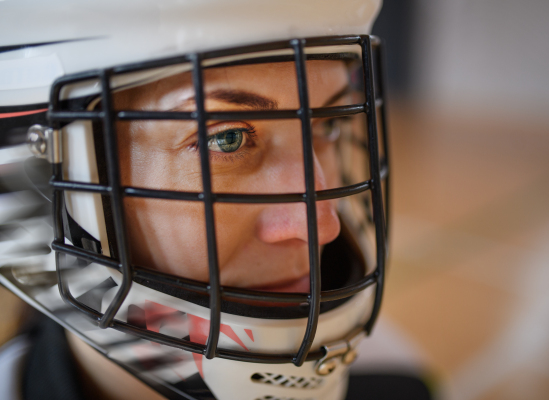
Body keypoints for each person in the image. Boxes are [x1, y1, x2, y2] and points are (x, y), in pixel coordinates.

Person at [0, 0, 432, 399]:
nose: (322, 223)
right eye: (226, 138)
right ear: (40, 183)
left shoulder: (396, 377)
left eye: (330, 123)